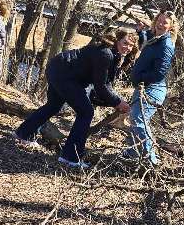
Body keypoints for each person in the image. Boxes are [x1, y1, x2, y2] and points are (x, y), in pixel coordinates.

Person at [14, 27, 136, 169]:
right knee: (86, 112)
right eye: (125, 43)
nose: (127, 47)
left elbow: (105, 85)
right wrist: (117, 102)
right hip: (64, 74)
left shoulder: (112, 54)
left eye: (131, 45)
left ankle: (24, 133)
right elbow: (101, 87)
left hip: (57, 68)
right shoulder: (106, 54)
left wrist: (116, 101)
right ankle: (70, 156)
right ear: (116, 40)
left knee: (54, 105)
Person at [122, 10, 178, 168]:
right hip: (142, 86)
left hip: (153, 88)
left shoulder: (166, 44)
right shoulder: (155, 37)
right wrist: (139, 31)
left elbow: (159, 73)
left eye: (164, 22)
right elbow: (141, 41)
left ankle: (151, 160)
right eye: (159, 20)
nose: (160, 24)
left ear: (171, 27)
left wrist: (140, 78)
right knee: (134, 118)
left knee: (139, 120)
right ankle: (132, 153)